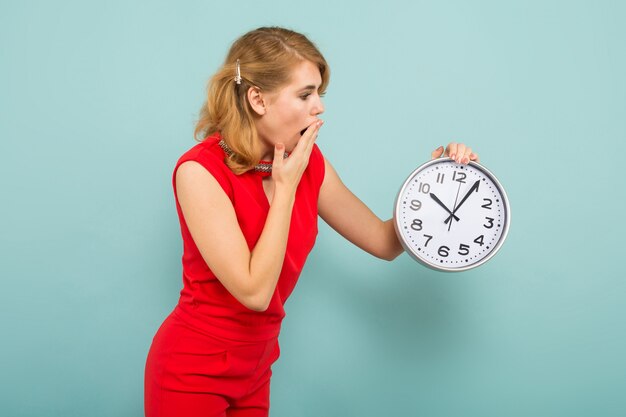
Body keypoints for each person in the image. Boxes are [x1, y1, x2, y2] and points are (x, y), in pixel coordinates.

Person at [144, 26, 479, 417]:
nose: (318, 107)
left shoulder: (308, 165)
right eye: (305, 94)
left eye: (319, 93)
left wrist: (433, 186)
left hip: (256, 368)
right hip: (193, 371)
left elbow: (385, 242)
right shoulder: (200, 171)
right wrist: (284, 189)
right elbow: (254, 293)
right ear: (257, 99)